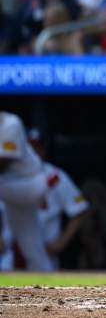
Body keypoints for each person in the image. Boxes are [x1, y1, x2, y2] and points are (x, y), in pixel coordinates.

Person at [28, 129, 90, 269]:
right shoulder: (7, 176)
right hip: (10, 255)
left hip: (44, 254)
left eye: (36, 148)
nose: (32, 153)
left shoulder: (55, 176)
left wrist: (61, 243)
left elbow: (79, 209)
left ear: (43, 150)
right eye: (28, 148)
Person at [0, 112, 53, 271]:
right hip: (12, 188)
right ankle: (48, 282)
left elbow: (4, 162)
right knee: (31, 245)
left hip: (30, 182)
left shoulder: (10, 123)